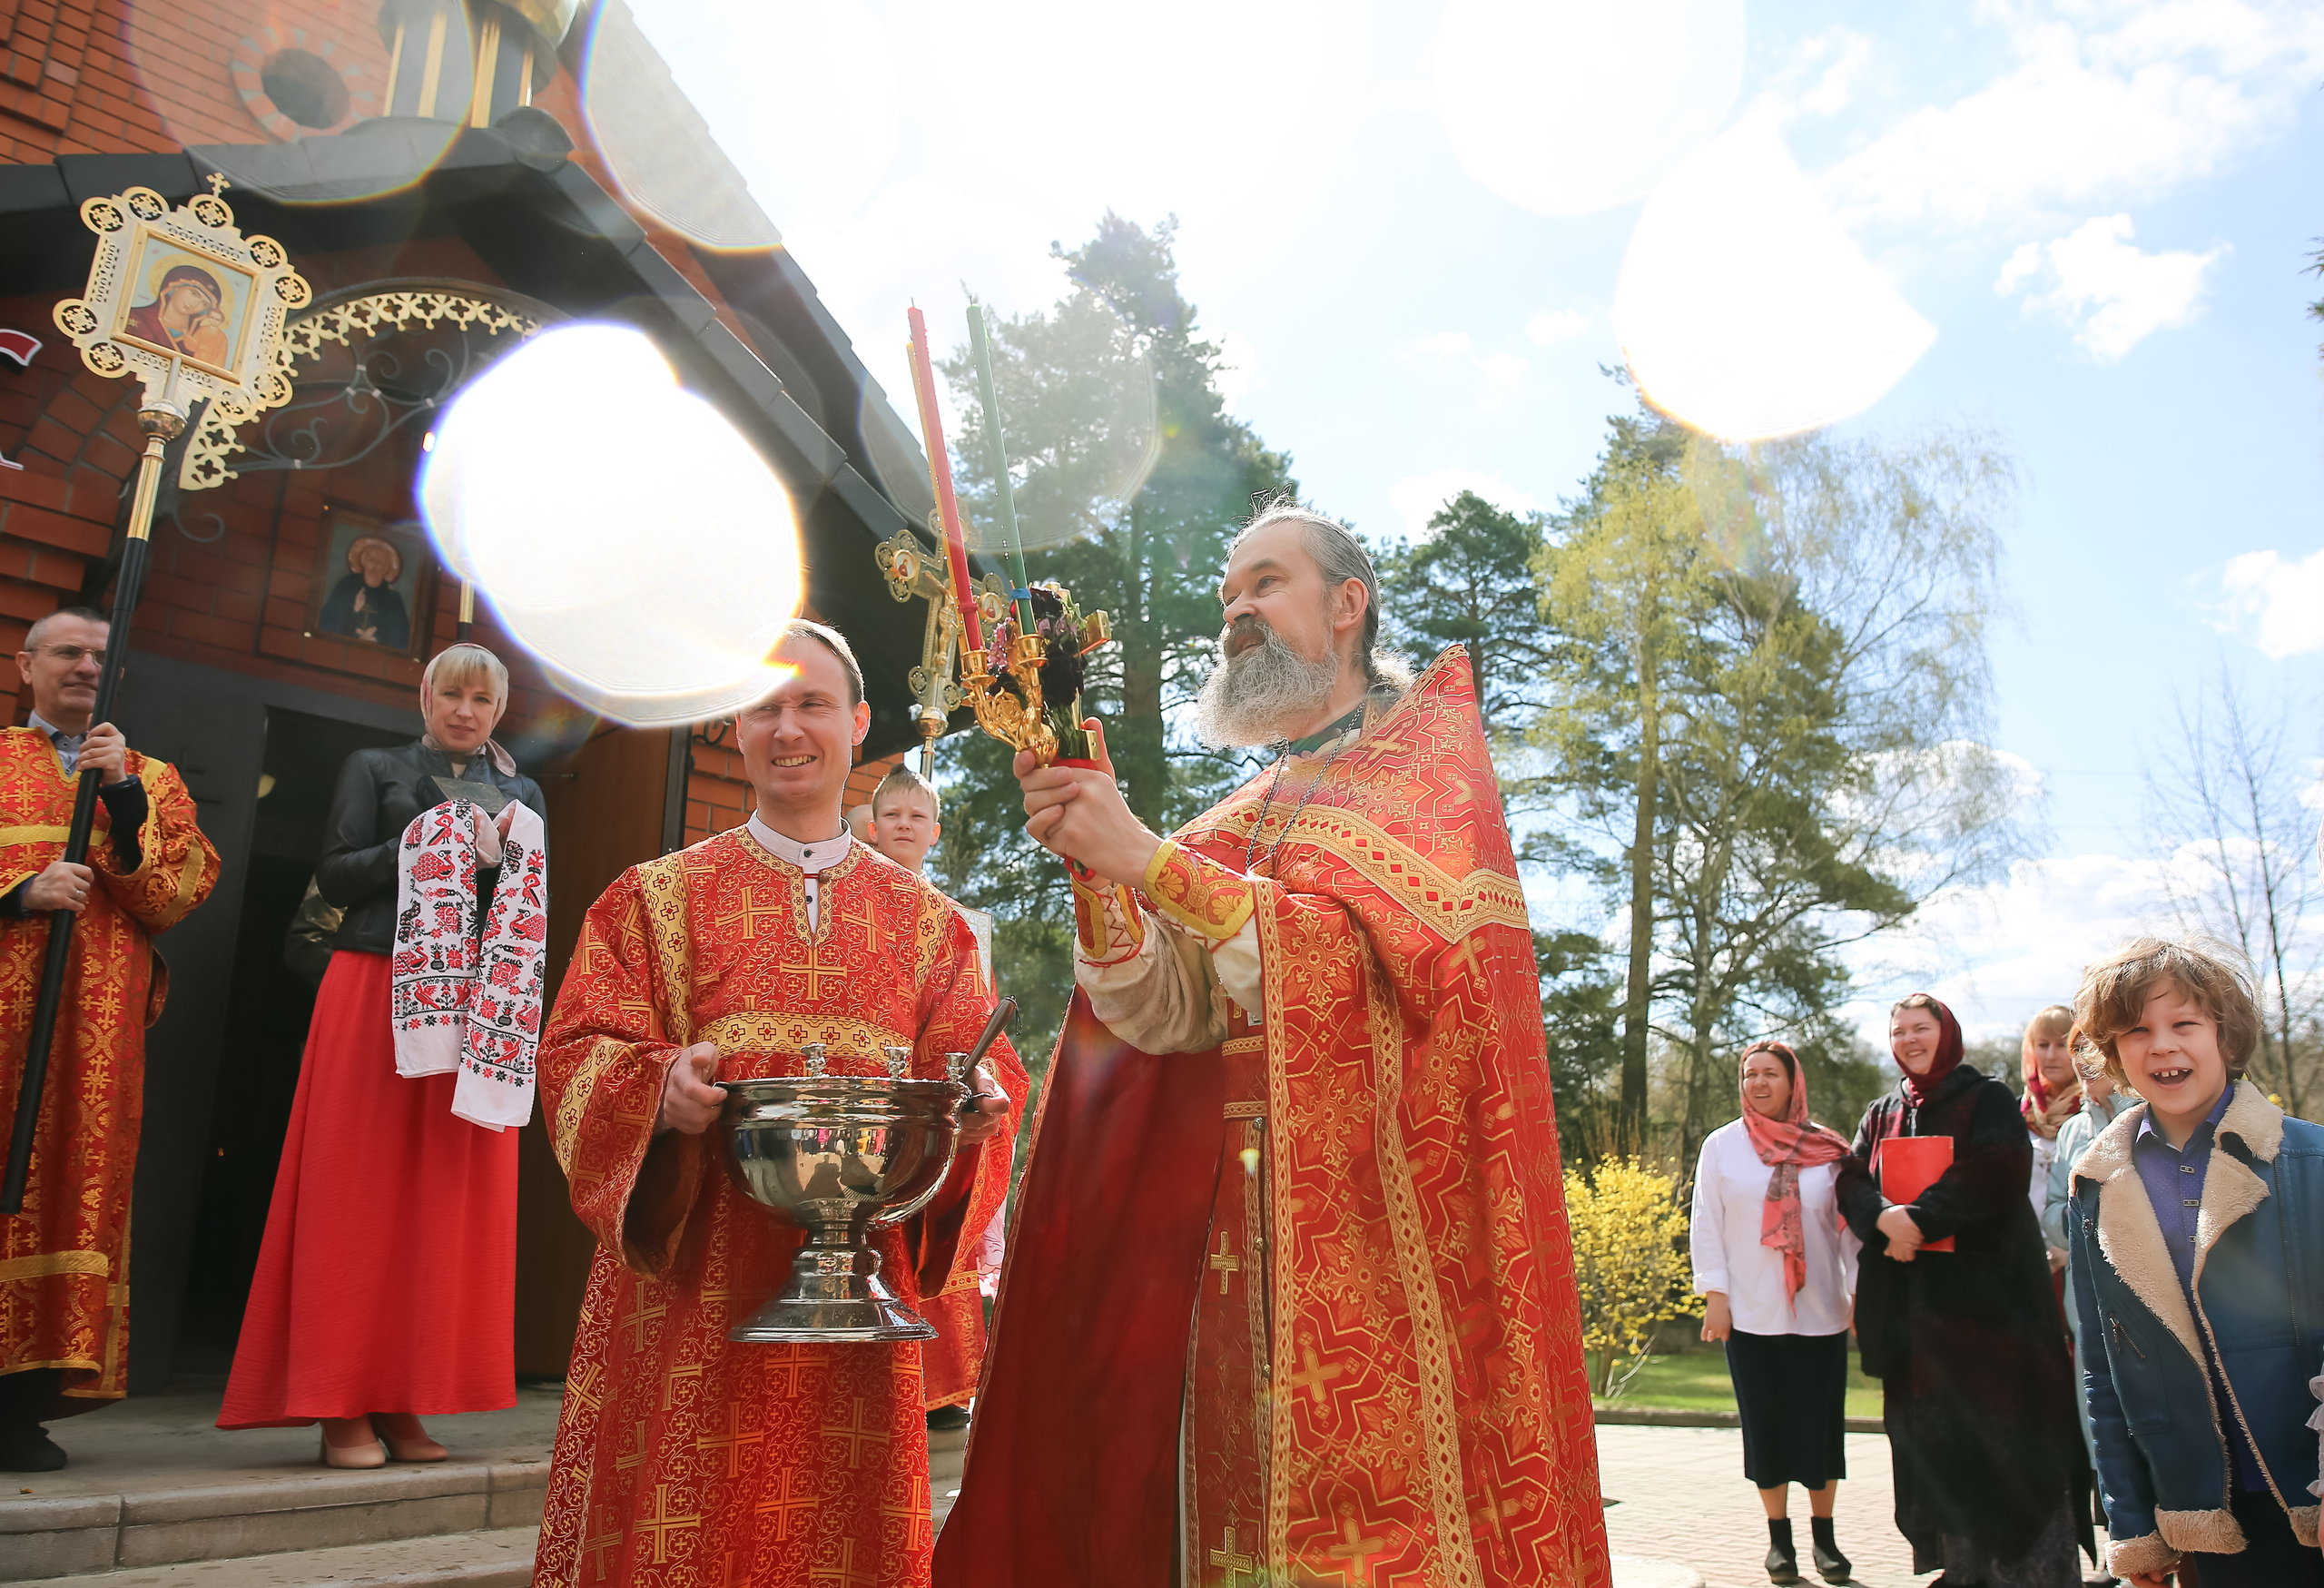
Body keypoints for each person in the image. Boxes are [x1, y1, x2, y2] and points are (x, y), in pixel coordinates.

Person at [938, 500, 1610, 1585]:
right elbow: (1161, 1020)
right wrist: (1097, 868)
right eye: (1225, 597)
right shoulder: (1242, 813)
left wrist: (1148, 860)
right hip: (1220, 1254)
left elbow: (1382, 985)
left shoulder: (1429, 779)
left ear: (1348, 605)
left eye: (1265, 583)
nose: (1234, 613)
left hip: (1379, 1257)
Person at [531, 620, 1023, 1588]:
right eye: (766, 707)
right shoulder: (652, 899)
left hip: (857, 1300)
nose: (788, 728)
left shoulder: (931, 930)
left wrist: (975, 1106)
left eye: (812, 705)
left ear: (858, 723)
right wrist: (655, 1087)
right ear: (736, 726)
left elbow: (975, 1062)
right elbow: (578, 1052)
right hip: (690, 1291)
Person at [220, 643, 547, 1465]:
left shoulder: (523, 793)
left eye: (482, 697)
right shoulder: (375, 766)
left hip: (478, 1004)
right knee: (355, 1191)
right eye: (451, 693)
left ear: (498, 710)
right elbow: (333, 875)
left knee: (441, 1199)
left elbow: (536, 893)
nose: (465, 709)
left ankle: (405, 1398)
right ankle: (340, 1405)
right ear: (424, 694)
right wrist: (429, 842)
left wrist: (498, 856)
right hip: (373, 984)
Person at [0, 607, 220, 1471]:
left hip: (93, 1031)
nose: (86, 666)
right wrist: (19, 892)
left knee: (68, 1189)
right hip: (6, 1023)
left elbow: (179, 892)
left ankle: (21, 1403)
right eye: (67, 652)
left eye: (99, 655)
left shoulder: (152, 776)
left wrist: (124, 793)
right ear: (26, 666)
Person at [2064, 936, 2324, 1588]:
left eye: (2184, 1023)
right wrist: (2132, 1523)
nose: (2162, 1045)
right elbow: (2104, 1366)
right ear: (2113, 1051)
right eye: (2136, 1029)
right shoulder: (2097, 1183)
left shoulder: (2309, 1160)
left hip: (2309, 1494)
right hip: (2200, 1514)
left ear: (2224, 1034)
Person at [1837, 992, 2093, 1586]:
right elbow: (1850, 1173)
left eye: (1920, 1028)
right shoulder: (1882, 1113)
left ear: (1945, 1033)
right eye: (1898, 1030)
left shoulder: (1988, 1098)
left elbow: (1998, 1167)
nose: (1908, 1039)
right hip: (1917, 1331)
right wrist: (1880, 1217)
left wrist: (1918, 1219)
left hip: (1995, 1323)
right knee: (1939, 1455)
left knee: (2009, 1450)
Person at [862, 764, 998, 1434]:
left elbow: (977, 1016)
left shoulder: (961, 920)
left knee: (940, 1225)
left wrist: (978, 1081)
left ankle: (940, 1390)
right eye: (894, 816)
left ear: (934, 832)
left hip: (934, 1087)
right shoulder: (852, 902)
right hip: (876, 1089)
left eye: (917, 817)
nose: (905, 826)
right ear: (872, 826)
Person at [1693, 1040, 1859, 1586]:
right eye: (1749, 1075)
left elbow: (1850, 1232)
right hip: (1749, 1314)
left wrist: (1858, 1294)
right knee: (1766, 1429)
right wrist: (1715, 1295)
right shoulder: (1721, 1148)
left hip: (1819, 1313)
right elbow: (1707, 1225)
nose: (1758, 1084)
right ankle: (1779, 1543)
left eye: (1770, 1074)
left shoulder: (1829, 1151)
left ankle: (1825, 1539)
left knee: (1819, 1427)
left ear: (1794, 1083)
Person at [2043, 1041, 2129, 1587]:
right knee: (2100, 1429)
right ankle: (2116, 1548)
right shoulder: (2072, 1133)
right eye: (2077, 1049)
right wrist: (2087, 1214)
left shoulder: (2146, 1115)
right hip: (2087, 1306)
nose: (2083, 1058)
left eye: (2094, 1045)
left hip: (2145, 1300)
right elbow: (2053, 1215)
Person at [2021, 1005, 2082, 1282]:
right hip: (2024, 1261)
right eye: (2042, 1045)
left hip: (2081, 1260)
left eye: (2061, 1044)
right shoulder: (2017, 1114)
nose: (2050, 1055)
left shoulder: (2097, 1111)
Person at [121, 261, 231, 364]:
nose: (195, 304)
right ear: (176, 287)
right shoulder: (134, 317)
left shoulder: (199, 339)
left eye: (204, 304)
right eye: (194, 294)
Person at [317, 536, 411, 651]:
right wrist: (354, 610)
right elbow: (328, 623)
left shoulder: (393, 599)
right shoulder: (347, 586)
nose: (374, 567)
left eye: (379, 563)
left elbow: (400, 639)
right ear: (364, 562)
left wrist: (377, 640)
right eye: (371, 561)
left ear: (386, 567)